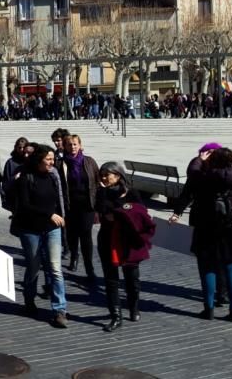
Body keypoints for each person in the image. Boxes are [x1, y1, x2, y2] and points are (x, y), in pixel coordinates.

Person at [170, 147, 232, 321]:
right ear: (231, 161)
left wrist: (200, 159)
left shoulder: (206, 178)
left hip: (207, 227)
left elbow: (192, 172)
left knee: (207, 268)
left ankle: (209, 309)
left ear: (212, 161)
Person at [13, 144, 69, 328]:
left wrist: (60, 215)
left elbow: (60, 199)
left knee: (55, 268)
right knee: (34, 267)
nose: (52, 163)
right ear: (39, 160)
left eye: (53, 159)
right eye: (49, 159)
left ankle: (59, 309)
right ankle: (29, 299)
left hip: (52, 228)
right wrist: (48, 214)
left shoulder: (53, 176)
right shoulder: (26, 177)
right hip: (30, 229)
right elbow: (24, 205)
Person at [95, 162, 154, 332]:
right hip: (107, 239)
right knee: (111, 279)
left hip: (128, 240)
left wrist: (119, 212)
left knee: (132, 278)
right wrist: (117, 207)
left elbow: (141, 213)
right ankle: (116, 316)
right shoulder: (101, 192)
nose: (104, 178)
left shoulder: (132, 193)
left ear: (118, 175)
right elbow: (103, 211)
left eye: (108, 174)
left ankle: (134, 307)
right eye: (102, 175)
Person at [59, 135, 99, 283]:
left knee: (86, 235)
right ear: (65, 147)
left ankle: (89, 267)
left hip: (87, 205)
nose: (72, 147)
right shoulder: (61, 164)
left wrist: (99, 204)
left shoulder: (89, 161)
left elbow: (98, 180)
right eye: (69, 145)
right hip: (70, 205)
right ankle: (74, 257)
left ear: (80, 145)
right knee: (72, 234)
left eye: (75, 144)